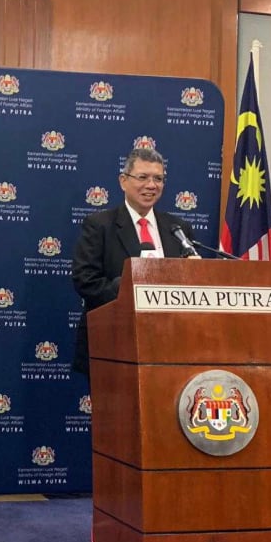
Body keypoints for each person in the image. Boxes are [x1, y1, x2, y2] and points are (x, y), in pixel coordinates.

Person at [70, 147, 196, 377]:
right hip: (115, 343)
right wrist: (128, 287)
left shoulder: (177, 228)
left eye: (158, 179)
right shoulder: (100, 225)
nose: (151, 185)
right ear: (123, 181)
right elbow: (85, 281)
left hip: (170, 345)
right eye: (143, 177)